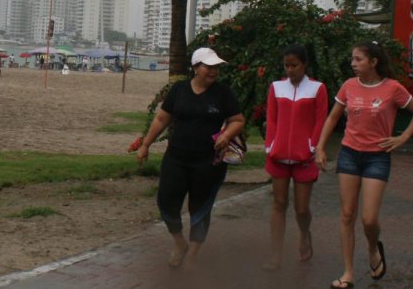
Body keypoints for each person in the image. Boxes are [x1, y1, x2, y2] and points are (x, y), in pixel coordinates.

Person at [315, 41, 413, 289]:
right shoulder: (349, 85)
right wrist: (320, 147)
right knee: (347, 214)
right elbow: (333, 117)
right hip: (349, 154)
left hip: (377, 157)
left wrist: (402, 137)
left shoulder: (392, 88)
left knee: (369, 218)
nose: (353, 64)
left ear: (373, 62)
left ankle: (373, 246)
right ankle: (348, 272)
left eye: (358, 59)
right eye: (352, 59)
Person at [137, 47, 245, 268]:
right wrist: (145, 144)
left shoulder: (223, 93)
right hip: (176, 158)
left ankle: (193, 255)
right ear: (195, 67)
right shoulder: (179, 90)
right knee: (166, 202)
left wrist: (226, 135)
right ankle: (180, 243)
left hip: (208, 162)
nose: (213, 71)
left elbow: (238, 120)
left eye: (216, 67)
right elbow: (161, 119)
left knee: (200, 207)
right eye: (208, 66)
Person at [262, 44, 328, 271]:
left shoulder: (317, 88)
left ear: (304, 64)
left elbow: (320, 120)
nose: (290, 70)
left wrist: (313, 146)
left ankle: (304, 234)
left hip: (305, 158)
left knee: (301, 209)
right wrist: (270, 145)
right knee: (279, 203)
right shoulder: (276, 87)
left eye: (294, 65)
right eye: (286, 66)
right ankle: (275, 254)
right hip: (278, 156)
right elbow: (272, 119)